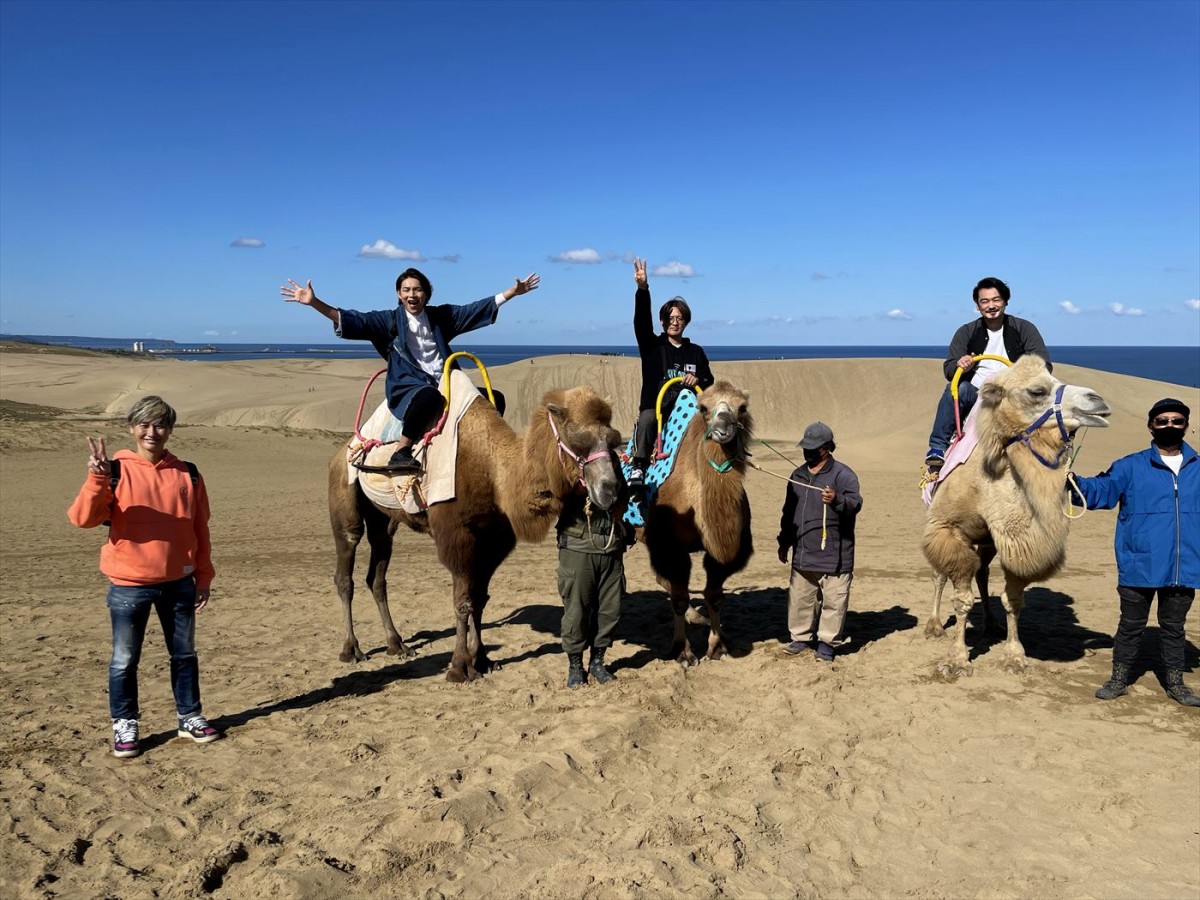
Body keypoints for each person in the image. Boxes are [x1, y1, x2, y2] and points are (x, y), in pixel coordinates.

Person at [67, 396, 219, 758]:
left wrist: (204, 576)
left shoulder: (188, 472)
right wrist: (97, 478)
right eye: (145, 425)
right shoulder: (115, 469)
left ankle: (189, 716)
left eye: (161, 424)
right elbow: (82, 519)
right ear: (132, 428)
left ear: (170, 429)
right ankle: (125, 723)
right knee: (124, 659)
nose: (153, 432)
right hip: (128, 585)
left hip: (179, 581)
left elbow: (200, 528)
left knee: (184, 654)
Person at [281, 268, 540, 472]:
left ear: (426, 294)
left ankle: (486, 448)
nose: (412, 294)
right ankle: (402, 451)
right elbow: (354, 319)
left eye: (417, 289)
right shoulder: (389, 321)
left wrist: (512, 292)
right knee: (429, 397)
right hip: (410, 385)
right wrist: (314, 303)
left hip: (448, 381)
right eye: (406, 290)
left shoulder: (441, 317)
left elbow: (475, 309)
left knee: (495, 398)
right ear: (398, 294)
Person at [1071, 398, 1200, 707]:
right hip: (1139, 562)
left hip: (1184, 565)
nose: (1170, 425)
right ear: (1151, 426)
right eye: (1163, 420)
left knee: (1173, 628)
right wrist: (1071, 484)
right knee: (1130, 626)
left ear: (1185, 425)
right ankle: (1119, 678)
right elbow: (1101, 491)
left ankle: (1175, 682)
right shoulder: (1130, 466)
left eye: (1176, 420)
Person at [925, 277, 1050, 472]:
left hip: (1015, 392)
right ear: (977, 305)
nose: (991, 306)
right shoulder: (966, 332)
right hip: (977, 391)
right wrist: (961, 365)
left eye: (996, 300)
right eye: (985, 301)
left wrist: (1022, 375)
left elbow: (1044, 365)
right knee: (956, 388)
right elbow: (949, 369)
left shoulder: (1024, 329)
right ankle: (937, 448)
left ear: (1006, 301)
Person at [777, 422, 863, 662]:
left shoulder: (843, 474)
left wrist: (837, 500)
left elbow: (855, 504)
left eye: (813, 448)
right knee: (800, 599)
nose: (808, 452)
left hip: (835, 554)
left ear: (827, 448)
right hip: (803, 551)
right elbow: (788, 512)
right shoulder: (798, 475)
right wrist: (784, 541)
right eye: (806, 447)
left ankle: (827, 643)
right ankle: (800, 638)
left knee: (834, 602)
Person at [628, 257, 714, 488]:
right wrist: (643, 289)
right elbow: (641, 323)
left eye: (679, 318)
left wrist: (699, 379)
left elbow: (709, 381)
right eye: (670, 318)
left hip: (687, 413)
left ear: (686, 321)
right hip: (656, 411)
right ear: (663, 321)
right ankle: (638, 465)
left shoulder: (696, 352)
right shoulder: (652, 347)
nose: (674, 322)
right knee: (646, 419)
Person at [556, 479, 629, 688]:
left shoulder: (611, 461)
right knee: (577, 609)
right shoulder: (568, 460)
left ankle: (597, 662)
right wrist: (573, 488)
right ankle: (575, 666)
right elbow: (551, 491)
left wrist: (622, 504)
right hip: (578, 547)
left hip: (611, 546)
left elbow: (623, 490)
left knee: (610, 609)